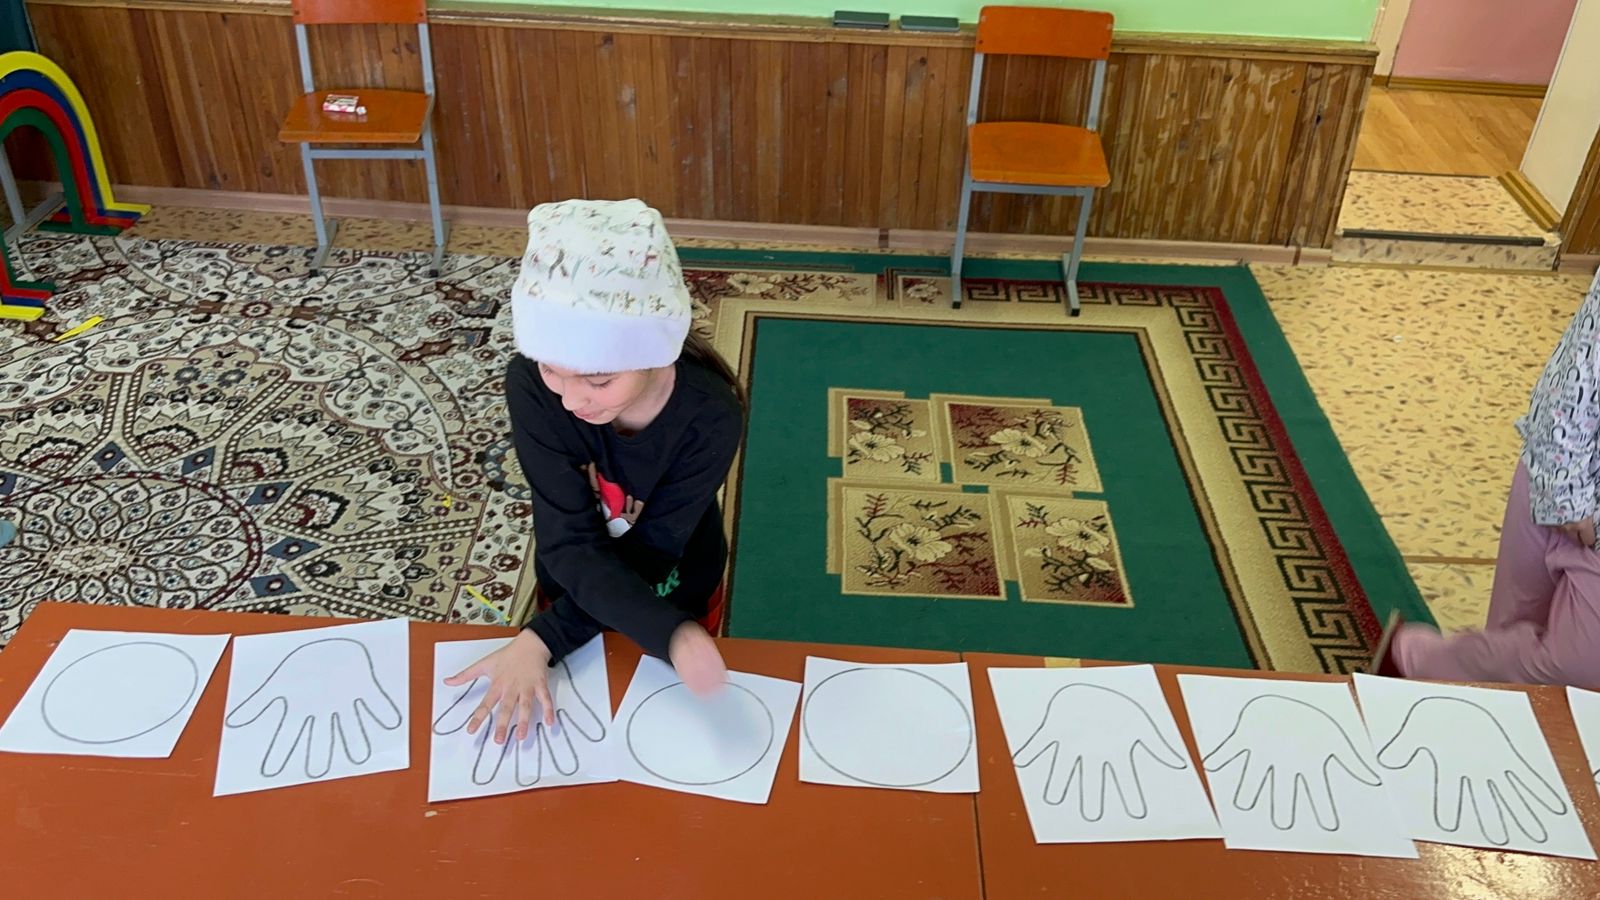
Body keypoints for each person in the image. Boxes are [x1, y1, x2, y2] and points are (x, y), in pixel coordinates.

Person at [446, 199, 745, 743]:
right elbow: (567, 538)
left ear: (657, 350)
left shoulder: (710, 416)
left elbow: (654, 551)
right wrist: (546, 638)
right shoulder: (532, 386)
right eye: (553, 371)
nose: (571, 401)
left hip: (676, 586)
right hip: (570, 583)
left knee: (670, 729)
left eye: (599, 382)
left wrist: (673, 635)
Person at [1373, 274, 1600, 687]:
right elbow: (1581, 368)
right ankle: (1416, 660)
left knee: (1563, 662)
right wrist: (1565, 487)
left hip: (1572, 492)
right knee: (1519, 634)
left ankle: (1420, 663)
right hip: (1562, 482)